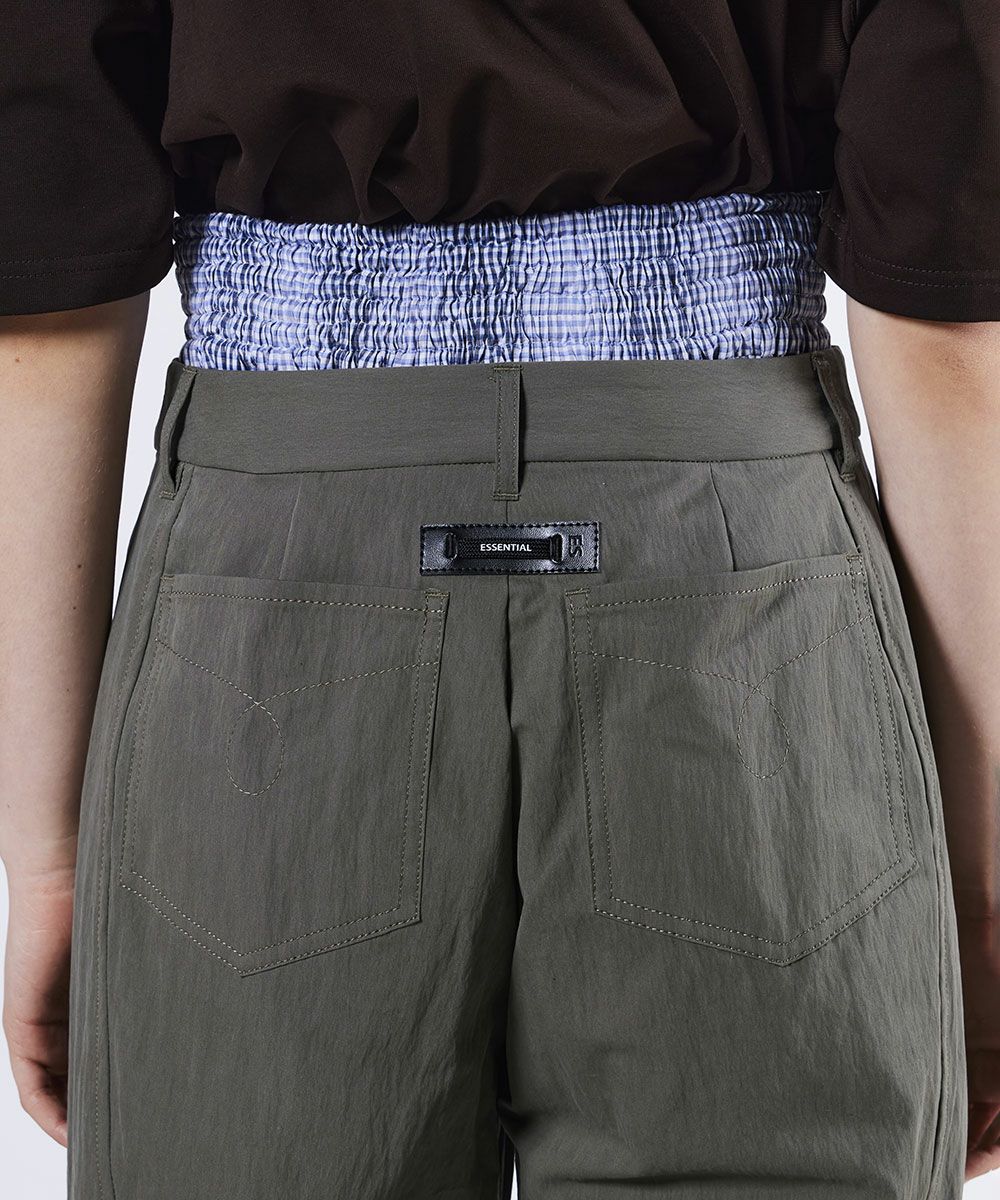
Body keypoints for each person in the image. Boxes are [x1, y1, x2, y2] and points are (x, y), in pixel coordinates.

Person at [1, 2, 998, 1196]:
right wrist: (978, 892)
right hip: (737, 567)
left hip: (273, 581)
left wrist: (48, 862)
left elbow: (41, 290)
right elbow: (948, 320)